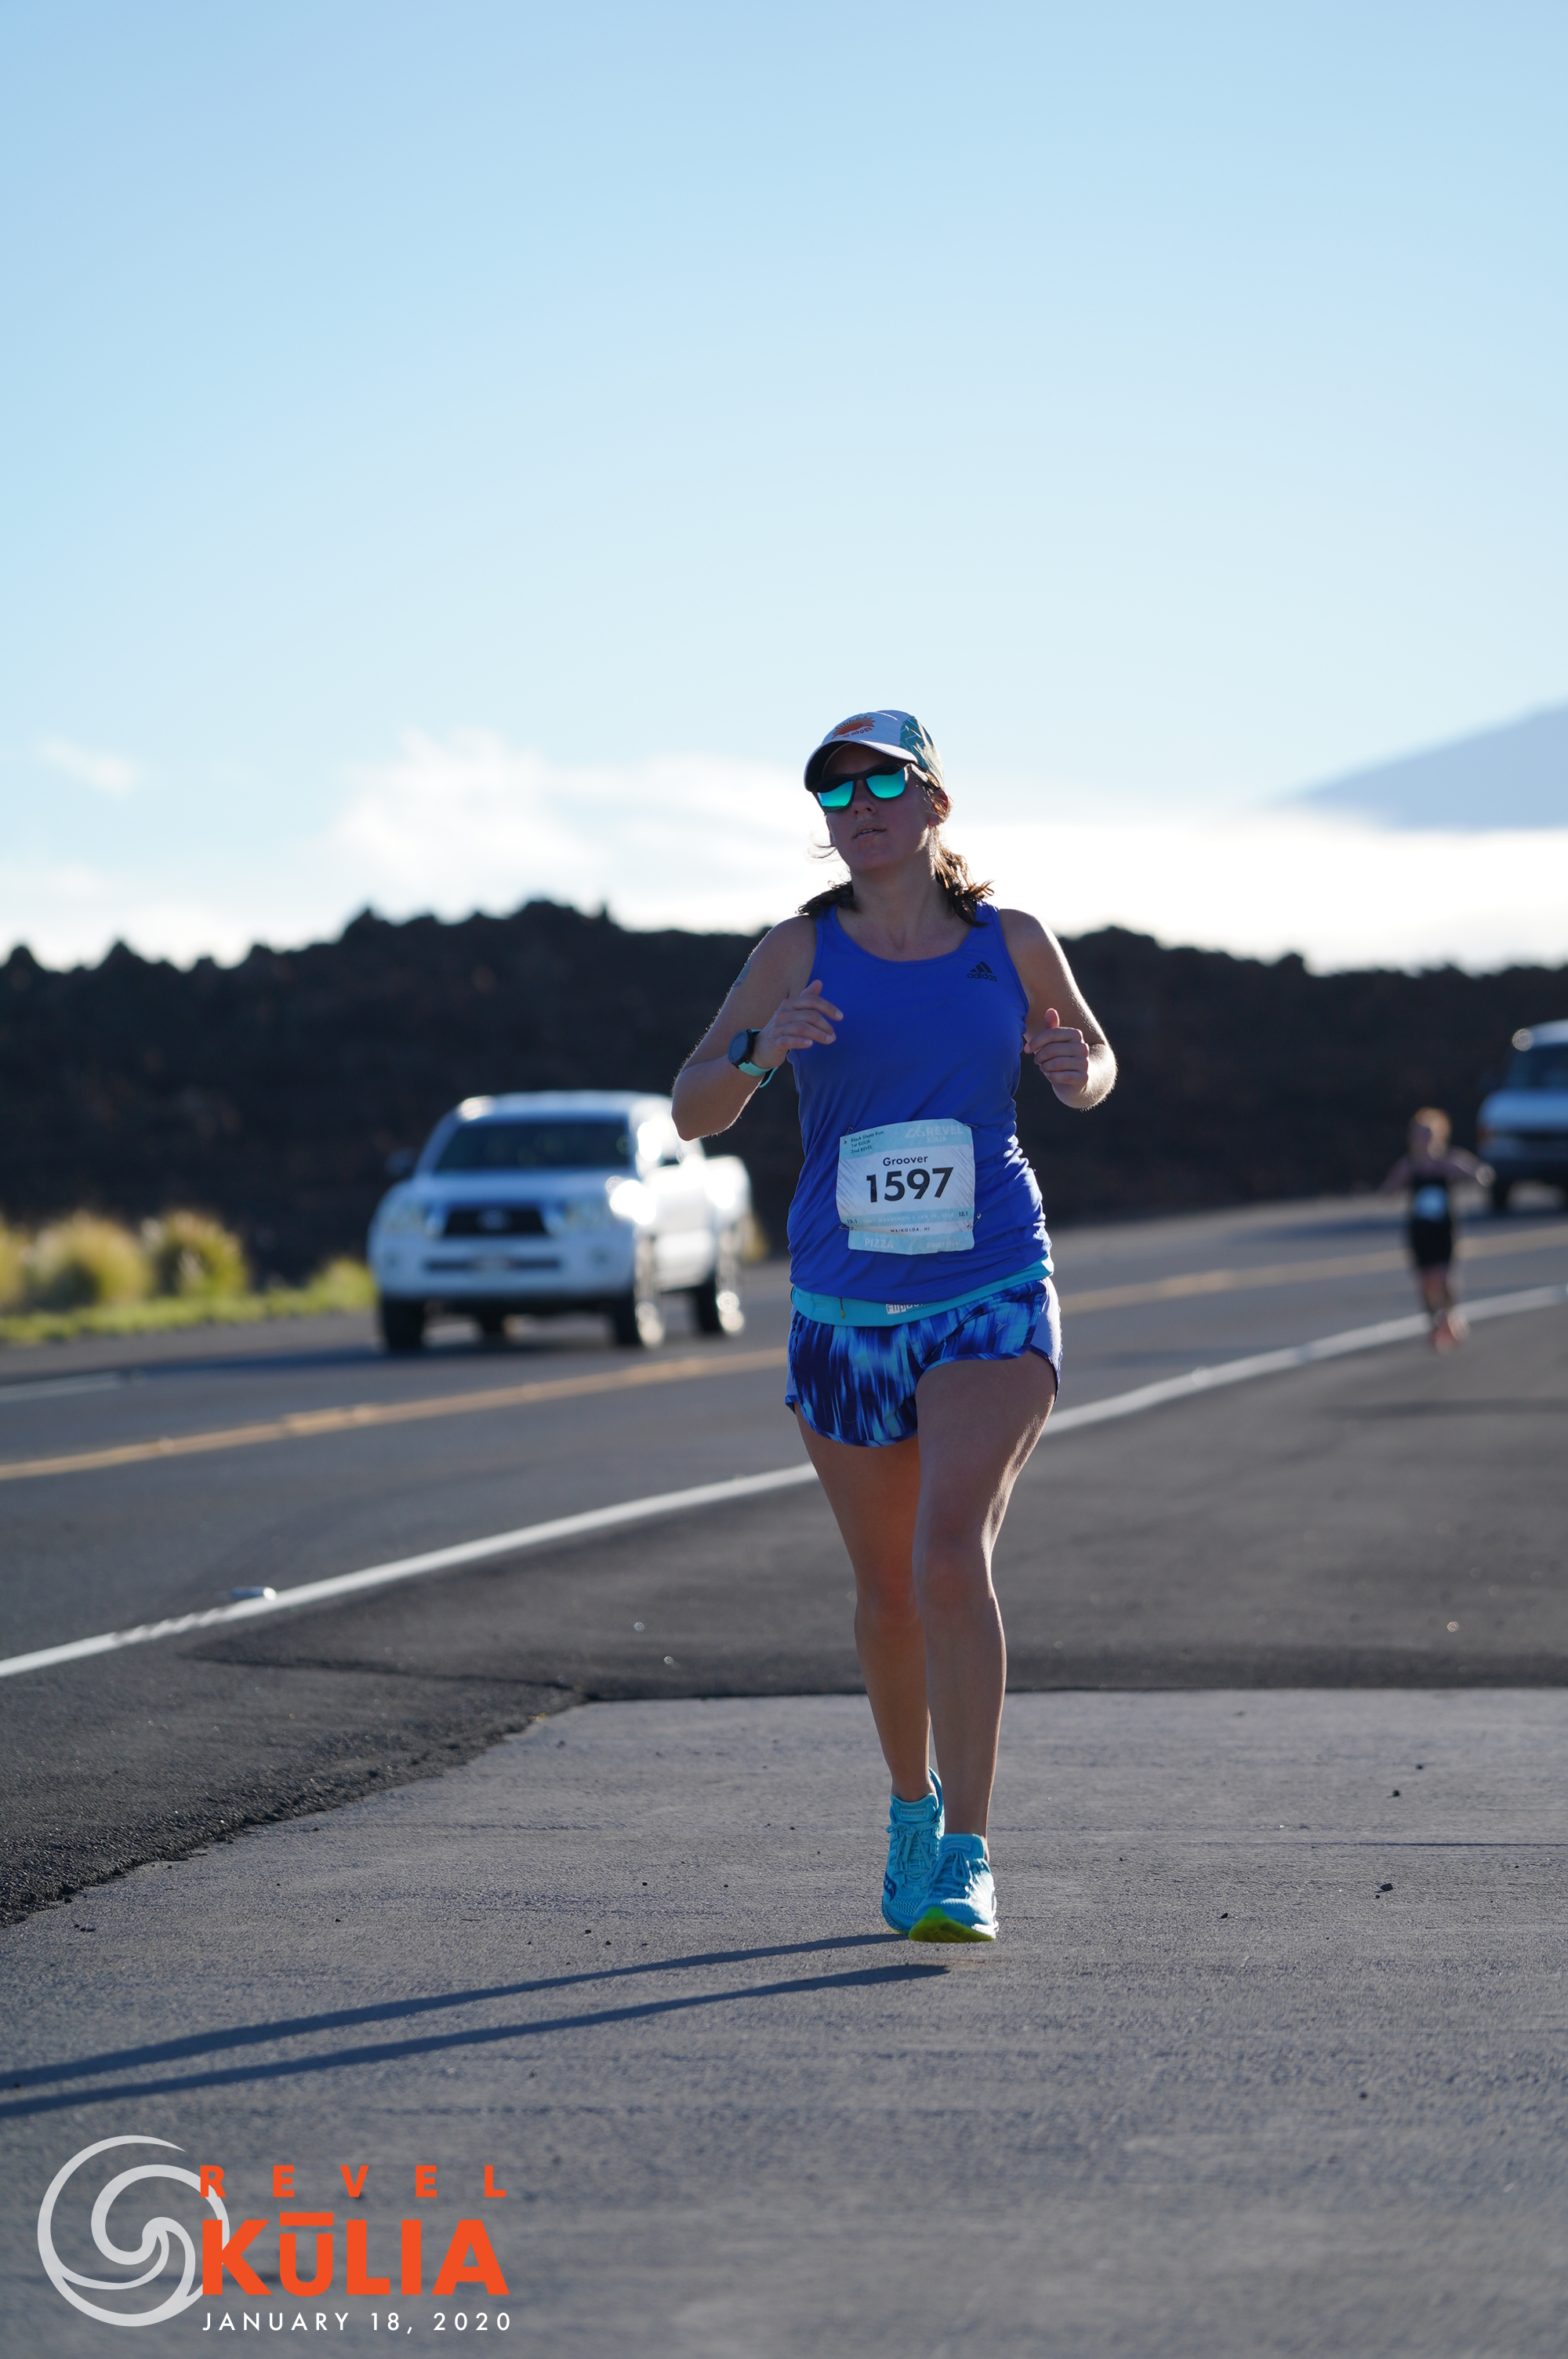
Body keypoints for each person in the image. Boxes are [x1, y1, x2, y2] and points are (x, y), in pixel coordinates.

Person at [671, 709, 1116, 1943]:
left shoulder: (1010, 941)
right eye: (836, 792)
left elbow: (1091, 1054)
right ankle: (910, 1811)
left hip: (990, 1286)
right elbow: (693, 1109)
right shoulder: (797, 949)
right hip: (845, 1311)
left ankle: (968, 1854)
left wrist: (1077, 1073)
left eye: (883, 784)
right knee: (888, 1594)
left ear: (935, 803)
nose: (858, 808)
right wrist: (761, 1051)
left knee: (947, 1555)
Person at [1378, 1107, 1492, 1350]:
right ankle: (1433, 1324)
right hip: (1420, 1230)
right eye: (1420, 1134)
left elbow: (1479, 1174)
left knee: (1445, 1276)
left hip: (1443, 1228)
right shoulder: (1411, 1166)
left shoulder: (1448, 1161)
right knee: (1425, 1280)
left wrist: (1476, 1177)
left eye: (1429, 1133)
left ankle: (1451, 1316)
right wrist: (1391, 1188)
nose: (1425, 1139)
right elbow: (1388, 1190)